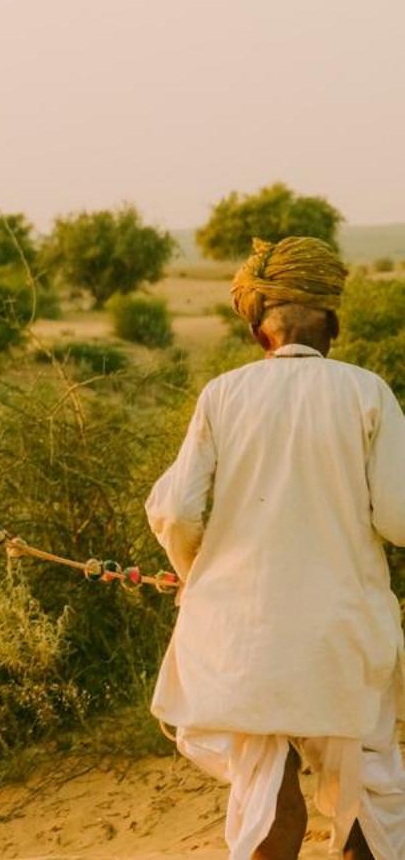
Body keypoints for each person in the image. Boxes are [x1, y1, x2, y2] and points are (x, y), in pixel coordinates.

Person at [147, 235, 405, 860]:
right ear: (333, 325)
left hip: (240, 634)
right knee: (368, 800)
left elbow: (175, 510)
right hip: (339, 637)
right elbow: (399, 518)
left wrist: (195, 574)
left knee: (264, 795)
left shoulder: (222, 395)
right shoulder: (367, 392)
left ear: (258, 332)